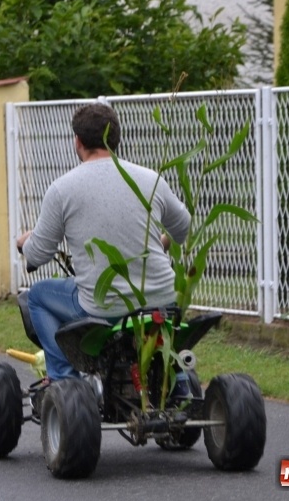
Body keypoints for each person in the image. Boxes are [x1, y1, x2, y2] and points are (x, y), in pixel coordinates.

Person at [17, 103, 191, 383]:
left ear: (78, 141)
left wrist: (23, 242)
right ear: (116, 139)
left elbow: (38, 254)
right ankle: (175, 384)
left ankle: (64, 380)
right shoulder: (150, 179)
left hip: (104, 307)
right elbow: (182, 228)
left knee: (36, 296)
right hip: (163, 301)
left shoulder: (63, 188)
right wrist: (159, 243)